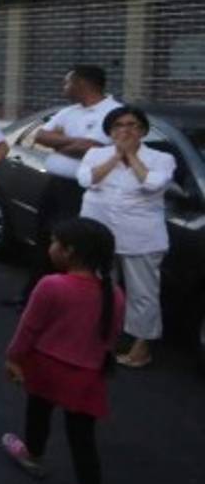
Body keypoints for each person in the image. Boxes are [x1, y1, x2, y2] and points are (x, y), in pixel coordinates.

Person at [1, 218, 124, 484]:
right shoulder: (114, 294)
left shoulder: (51, 285)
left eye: (54, 242)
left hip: (46, 366)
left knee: (38, 411)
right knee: (83, 441)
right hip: (86, 376)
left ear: (69, 251)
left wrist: (13, 357)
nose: (50, 247)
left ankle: (33, 454)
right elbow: (110, 338)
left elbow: (29, 328)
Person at [77, 106, 175, 368]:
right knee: (99, 287)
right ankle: (101, 336)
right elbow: (86, 180)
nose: (126, 130)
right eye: (119, 125)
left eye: (132, 125)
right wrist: (115, 157)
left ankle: (141, 346)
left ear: (143, 131)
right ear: (110, 132)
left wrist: (130, 155)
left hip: (141, 236)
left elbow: (152, 184)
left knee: (143, 293)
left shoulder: (161, 158)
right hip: (99, 233)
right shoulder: (96, 154)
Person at [16, 66, 122, 305]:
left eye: (67, 83)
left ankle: (64, 300)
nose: (63, 88)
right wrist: (73, 143)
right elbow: (40, 136)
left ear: (82, 84)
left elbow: (92, 148)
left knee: (70, 245)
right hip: (55, 185)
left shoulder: (113, 112)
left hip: (81, 191)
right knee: (45, 238)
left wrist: (59, 143)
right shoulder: (69, 112)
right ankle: (33, 296)